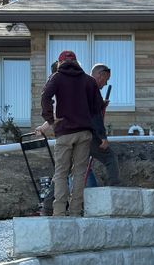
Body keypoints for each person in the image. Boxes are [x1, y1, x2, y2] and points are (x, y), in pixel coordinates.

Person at [40, 50, 107, 217]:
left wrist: (50, 119)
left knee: (61, 173)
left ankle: (59, 212)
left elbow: (45, 96)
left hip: (64, 133)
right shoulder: (88, 80)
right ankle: (76, 211)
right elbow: (97, 108)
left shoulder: (56, 77)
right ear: (77, 62)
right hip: (84, 133)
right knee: (79, 173)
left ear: (61, 62)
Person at [85, 64, 120, 187]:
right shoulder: (93, 88)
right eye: (106, 79)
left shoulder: (83, 86)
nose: (105, 84)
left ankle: (48, 202)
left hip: (74, 133)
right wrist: (102, 137)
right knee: (110, 158)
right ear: (101, 75)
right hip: (88, 135)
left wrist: (100, 104)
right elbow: (95, 116)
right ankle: (115, 191)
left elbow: (88, 108)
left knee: (68, 168)